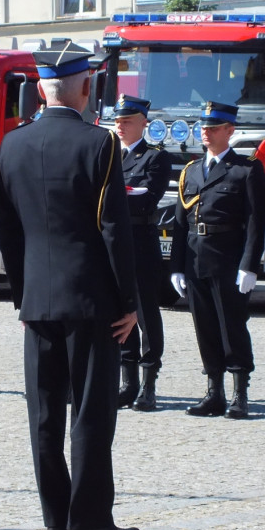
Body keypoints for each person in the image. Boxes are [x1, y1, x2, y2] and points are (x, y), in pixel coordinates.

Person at [0, 41, 141, 530]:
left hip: (38, 300)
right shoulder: (99, 144)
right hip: (92, 299)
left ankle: (55, 517)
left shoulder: (11, 146)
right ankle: (91, 519)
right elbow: (114, 230)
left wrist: (22, 295)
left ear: (39, 88)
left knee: (45, 415)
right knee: (91, 413)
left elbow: (7, 231)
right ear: (84, 88)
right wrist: (129, 302)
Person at [170, 101, 265, 419]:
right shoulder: (192, 170)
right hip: (197, 257)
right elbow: (181, 222)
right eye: (204, 127)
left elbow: (256, 221)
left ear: (230, 131)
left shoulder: (245, 170)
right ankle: (214, 391)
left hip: (228, 259)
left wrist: (250, 264)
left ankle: (240, 393)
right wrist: (177, 266)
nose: (206, 133)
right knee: (205, 327)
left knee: (232, 326)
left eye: (213, 128)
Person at [114, 94, 173, 412]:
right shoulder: (110, 156)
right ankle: (128, 383)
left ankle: (149, 383)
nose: (121, 126)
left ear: (143, 123)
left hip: (140, 244)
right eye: (118, 121)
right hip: (114, 246)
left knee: (146, 315)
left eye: (127, 121)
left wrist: (112, 197)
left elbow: (147, 200)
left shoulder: (154, 158)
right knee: (120, 313)